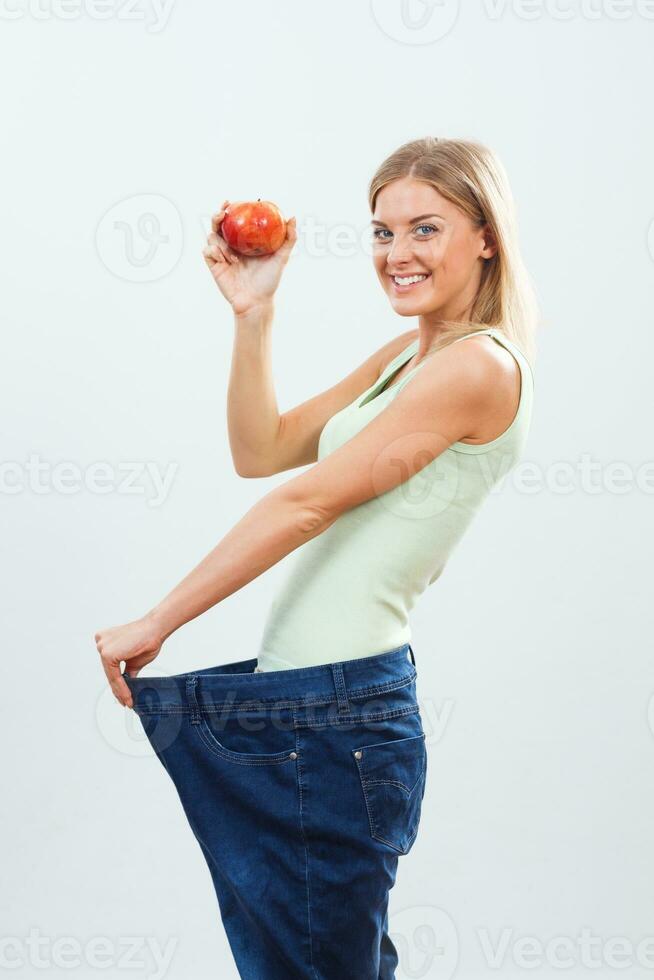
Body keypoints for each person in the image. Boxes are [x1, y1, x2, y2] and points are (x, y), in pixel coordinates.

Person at [95, 136, 537, 979]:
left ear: (486, 236)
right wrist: (254, 314)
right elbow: (262, 451)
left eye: (424, 229)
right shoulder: (413, 355)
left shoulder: (476, 367)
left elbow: (305, 503)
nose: (396, 254)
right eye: (381, 232)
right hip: (308, 705)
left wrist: (160, 619)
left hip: (340, 722)